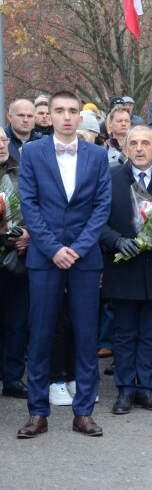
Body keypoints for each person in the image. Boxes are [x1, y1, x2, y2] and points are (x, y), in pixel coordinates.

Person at [17, 90, 112, 438]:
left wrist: (80, 247)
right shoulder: (32, 152)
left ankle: (83, 412)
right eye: (60, 110)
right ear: (51, 115)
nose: (67, 116)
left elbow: (102, 206)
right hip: (45, 257)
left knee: (87, 337)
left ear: (80, 116)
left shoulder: (97, 155)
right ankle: (37, 412)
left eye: (73, 110)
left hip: (86, 259)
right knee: (40, 335)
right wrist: (54, 248)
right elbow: (29, 203)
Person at [100, 125, 152, 415]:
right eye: (133, 143)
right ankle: (125, 389)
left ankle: (145, 388)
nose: (139, 148)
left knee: (150, 333)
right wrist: (117, 241)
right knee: (124, 333)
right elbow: (98, 223)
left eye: (145, 143)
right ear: (125, 148)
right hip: (124, 267)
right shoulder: (110, 178)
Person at [0, 128, 30, 400]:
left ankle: (12, 377)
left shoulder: (20, 172)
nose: (0, 145)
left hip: (15, 259)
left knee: (17, 321)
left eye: (2, 140)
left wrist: (27, 236)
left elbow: (34, 207)